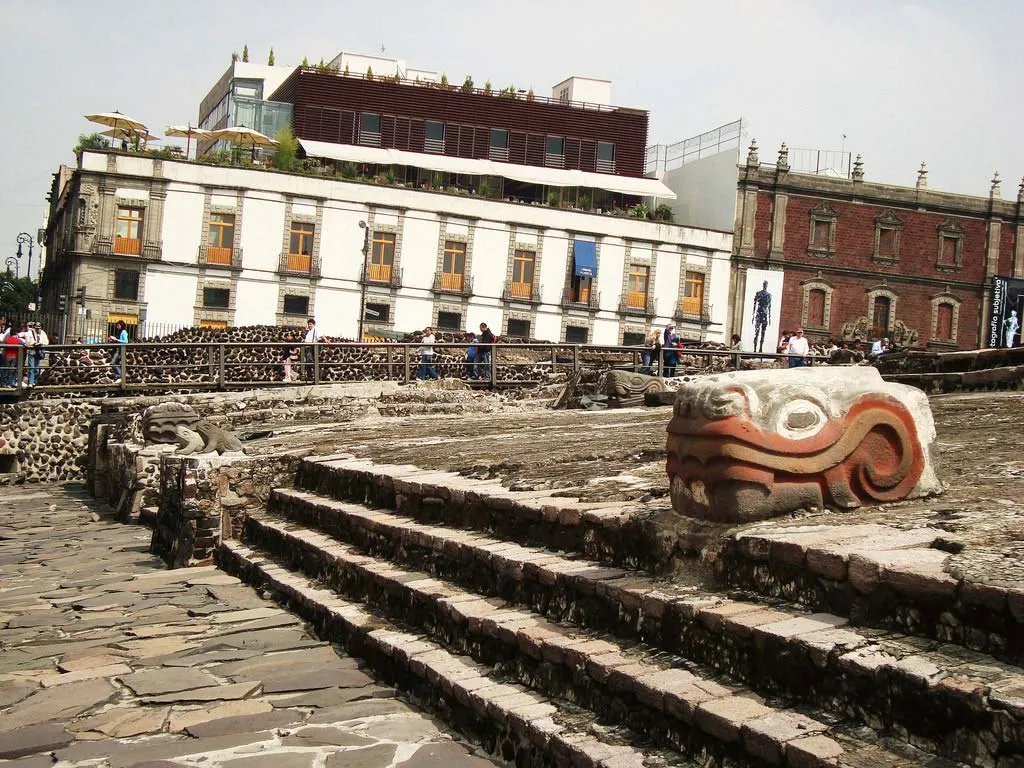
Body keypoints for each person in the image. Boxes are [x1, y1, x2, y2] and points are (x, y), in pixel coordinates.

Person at [21, 322, 48, 387]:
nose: (37, 329)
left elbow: (46, 341)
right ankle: (30, 382)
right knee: (31, 367)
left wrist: (41, 343)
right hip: (32, 351)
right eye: (36, 328)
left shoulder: (43, 333)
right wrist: (33, 343)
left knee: (36, 368)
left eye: (39, 328)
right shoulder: (30, 332)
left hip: (38, 351)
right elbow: (28, 341)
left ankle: (34, 381)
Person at [752, 280, 772, 353]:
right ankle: (755, 348)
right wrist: (753, 315)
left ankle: (760, 348)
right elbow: (754, 304)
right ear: (763, 285)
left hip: (765, 314)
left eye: (766, 284)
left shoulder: (769, 295)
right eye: (764, 284)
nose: (765, 286)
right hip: (759, 313)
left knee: (763, 332)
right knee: (756, 331)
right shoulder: (758, 293)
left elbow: (770, 306)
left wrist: (769, 317)